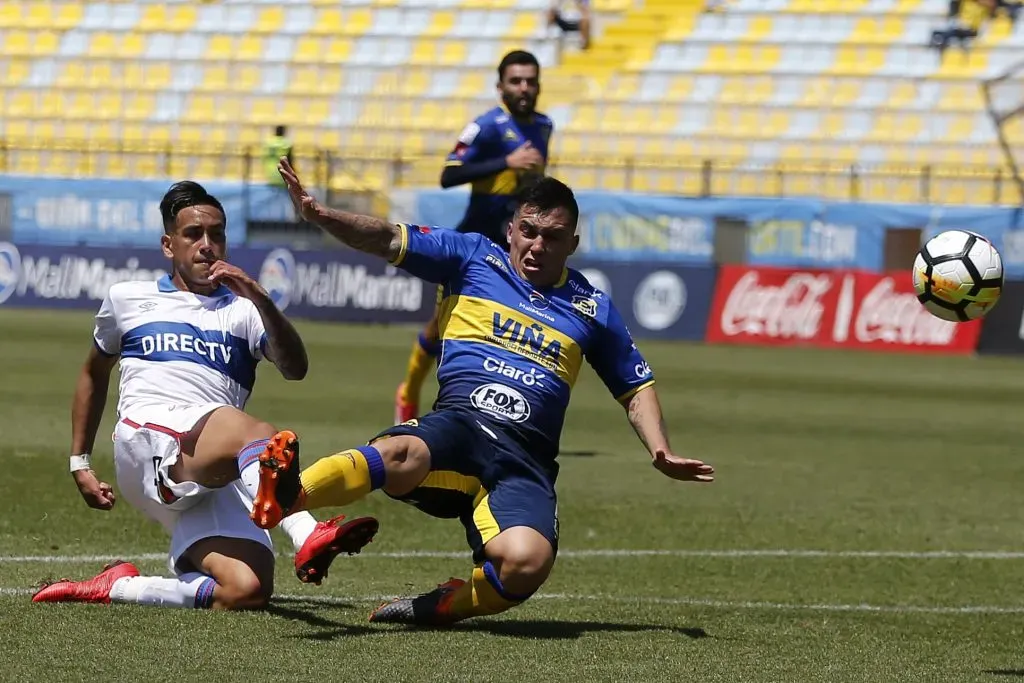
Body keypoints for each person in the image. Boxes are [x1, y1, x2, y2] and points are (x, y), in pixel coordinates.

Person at [249, 159, 715, 626]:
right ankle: (288, 498)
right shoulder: (471, 256)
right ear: (511, 229)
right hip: (459, 428)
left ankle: (443, 605)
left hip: (524, 460)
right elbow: (389, 239)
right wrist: (322, 215)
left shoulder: (592, 308)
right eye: (528, 230)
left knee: (527, 562)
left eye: (552, 237)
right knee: (399, 452)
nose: (537, 245)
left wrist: (660, 450)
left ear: (572, 244)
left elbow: (635, 387)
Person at [32, 181, 378, 610]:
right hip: (148, 444)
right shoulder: (127, 298)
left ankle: (120, 585)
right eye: (193, 234)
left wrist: (262, 298)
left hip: (214, 464)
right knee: (258, 433)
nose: (207, 245)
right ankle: (307, 531)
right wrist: (78, 461)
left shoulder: (244, 310)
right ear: (168, 244)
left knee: (246, 590)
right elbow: (93, 372)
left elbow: (295, 369)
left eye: (217, 234)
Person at [394, 50, 552, 425]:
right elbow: (448, 174)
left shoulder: (544, 126)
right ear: (501, 87)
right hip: (474, 243)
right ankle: (410, 390)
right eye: (516, 81)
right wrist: (506, 163)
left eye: (530, 80)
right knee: (442, 327)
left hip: (516, 244)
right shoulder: (486, 126)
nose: (524, 87)